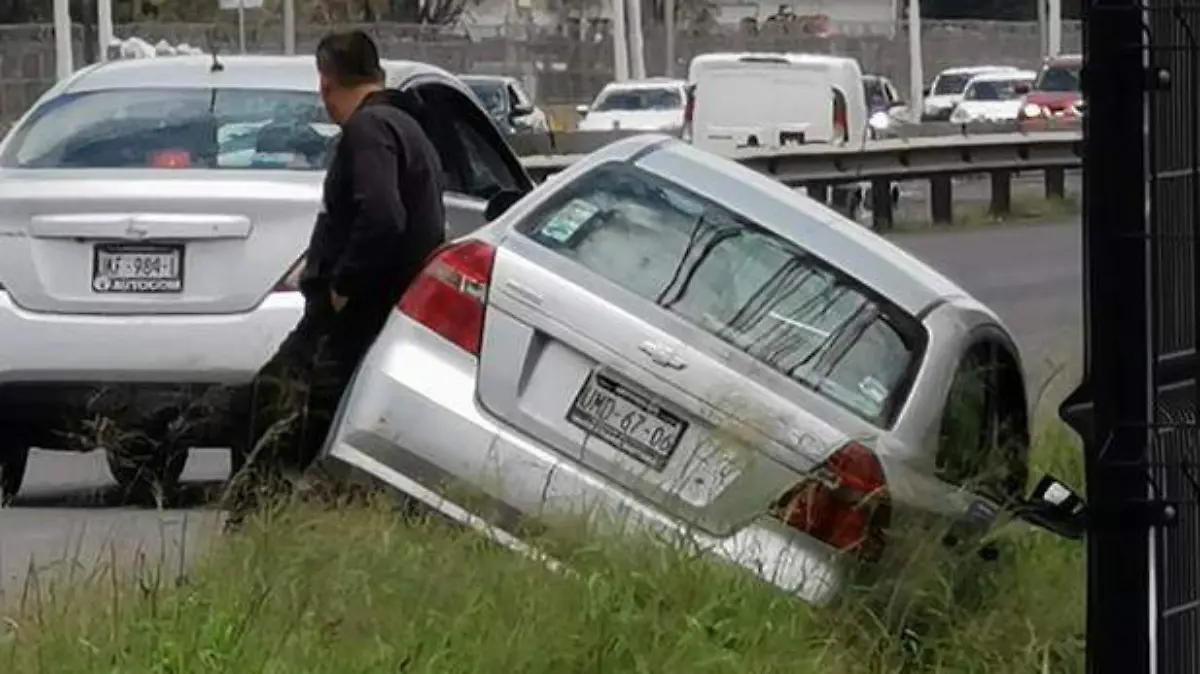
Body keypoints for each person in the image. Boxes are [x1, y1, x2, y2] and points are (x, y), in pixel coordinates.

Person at [220, 29, 446, 525]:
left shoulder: (369, 131)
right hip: (379, 312)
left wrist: (343, 284)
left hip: (349, 317)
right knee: (288, 418)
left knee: (270, 414)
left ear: (325, 83)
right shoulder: (405, 127)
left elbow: (384, 216)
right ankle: (276, 525)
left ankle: (255, 532)